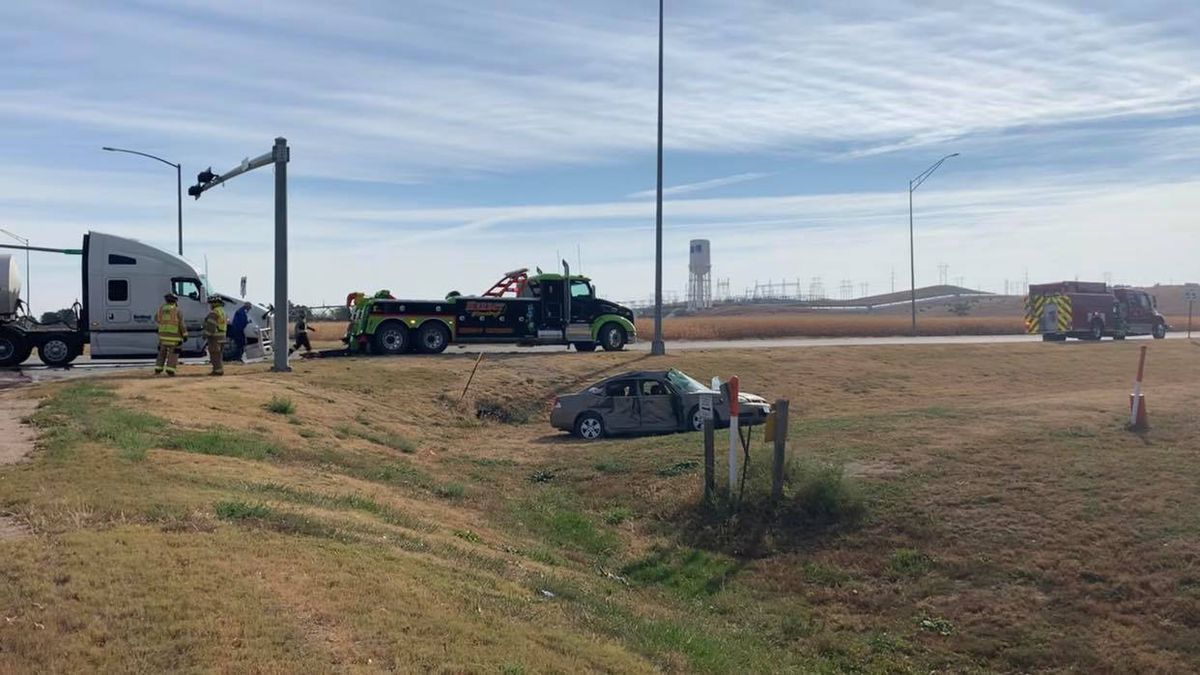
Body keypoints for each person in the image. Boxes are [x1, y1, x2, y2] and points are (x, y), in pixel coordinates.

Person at [154, 292, 187, 376]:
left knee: (161, 353)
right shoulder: (177, 310)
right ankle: (170, 369)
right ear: (175, 301)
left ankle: (158, 369)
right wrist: (185, 334)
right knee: (173, 354)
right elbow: (181, 324)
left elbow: (156, 319)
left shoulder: (161, 309)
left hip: (163, 336)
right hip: (174, 336)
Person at [203, 297, 227, 376]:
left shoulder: (214, 312)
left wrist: (206, 334)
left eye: (211, 303)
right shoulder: (222, 311)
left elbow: (211, 326)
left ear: (214, 304)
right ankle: (219, 369)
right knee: (219, 354)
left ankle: (217, 371)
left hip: (215, 337)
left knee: (214, 354)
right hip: (222, 336)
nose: (210, 305)